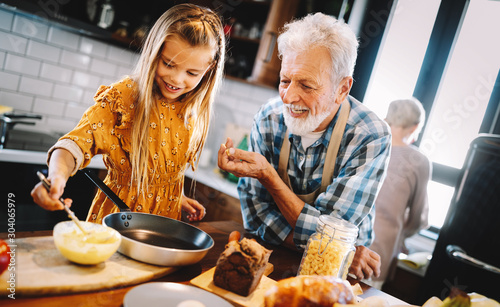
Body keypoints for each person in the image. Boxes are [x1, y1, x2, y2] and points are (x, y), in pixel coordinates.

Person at [217, 12, 391, 280]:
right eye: (285, 80)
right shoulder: (269, 118)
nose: (289, 97)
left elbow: (336, 236)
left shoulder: (370, 136)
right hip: (274, 262)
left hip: (337, 275)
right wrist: (334, 248)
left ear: (342, 89)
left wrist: (270, 178)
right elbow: (255, 214)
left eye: (307, 85)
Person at [31, 4, 226, 223]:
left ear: (209, 69)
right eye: (168, 64)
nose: (177, 79)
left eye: (192, 72)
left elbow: (153, 173)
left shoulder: (190, 109)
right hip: (118, 223)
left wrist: (174, 196)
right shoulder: (124, 98)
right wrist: (56, 176)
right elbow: (72, 145)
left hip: (162, 226)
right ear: (154, 51)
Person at [369, 98, 431, 288]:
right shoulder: (418, 161)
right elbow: (418, 217)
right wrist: (403, 235)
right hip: (377, 255)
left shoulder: (370, 144)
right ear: (415, 127)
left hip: (341, 243)